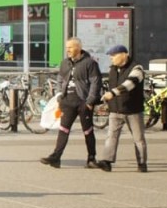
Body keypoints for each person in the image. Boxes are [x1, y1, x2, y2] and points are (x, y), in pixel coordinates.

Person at [42, 36, 102, 168]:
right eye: (67, 47)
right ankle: (56, 158)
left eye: (70, 47)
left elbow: (95, 83)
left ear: (78, 48)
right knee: (63, 130)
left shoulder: (90, 63)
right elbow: (59, 79)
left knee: (88, 131)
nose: (67, 50)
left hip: (83, 101)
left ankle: (91, 158)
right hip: (67, 101)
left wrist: (90, 101)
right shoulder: (65, 63)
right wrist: (59, 95)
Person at [96, 44, 147, 173]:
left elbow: (130, 84)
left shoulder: (137, 68)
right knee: (111, 136)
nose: (111, 58)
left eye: (113, 56)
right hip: (115, 109)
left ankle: (142, 163)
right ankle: (106, 162)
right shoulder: (113, 69)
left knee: (138, 138)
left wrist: (112, 93)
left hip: (133, 110)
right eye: (110, 56)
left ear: (124, 55)